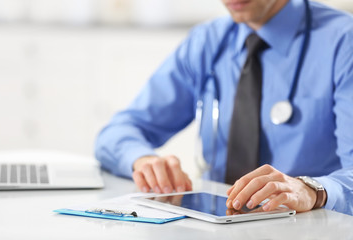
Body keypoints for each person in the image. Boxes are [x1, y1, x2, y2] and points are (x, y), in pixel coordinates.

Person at [95, 0, 353, 216]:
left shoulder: (343, 42)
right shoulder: (207, 41)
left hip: (305, 227)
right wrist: (143, 160)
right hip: (213, 224)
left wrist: (312, 190)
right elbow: (116, 133)